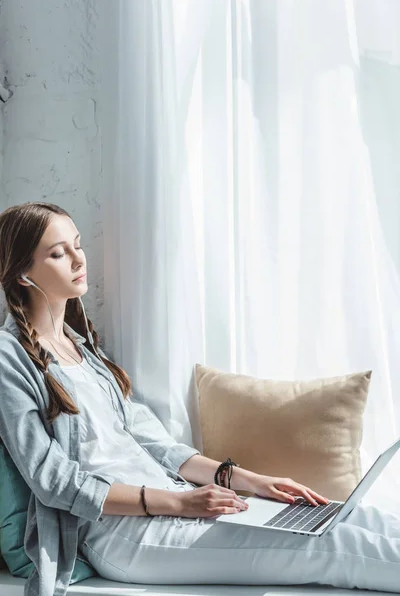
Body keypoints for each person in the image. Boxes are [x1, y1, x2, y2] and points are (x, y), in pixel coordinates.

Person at [0, 201, 399, 596]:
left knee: (357, 518)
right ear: (21, 273)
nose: (77, 259)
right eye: (57, 253)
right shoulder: (9, 358)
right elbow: (53, 481)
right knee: (332, 547)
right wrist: (180, 504)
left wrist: (251, 480)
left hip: (178, 505)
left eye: (77, 244)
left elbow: (158, 445)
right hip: (122, 535)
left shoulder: (83, 348)